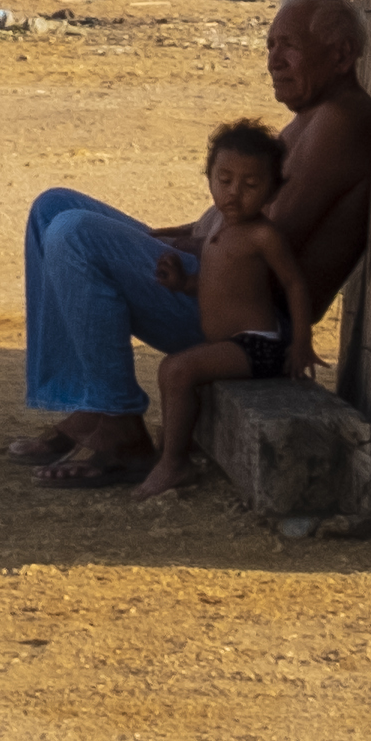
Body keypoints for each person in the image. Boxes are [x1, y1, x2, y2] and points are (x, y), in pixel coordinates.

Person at [14, 0, 371, 486]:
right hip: (214, 281)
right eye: (270, 45)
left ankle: (120, 427)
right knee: (53, 207)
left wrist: (161, 253)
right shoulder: (310, 118)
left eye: (289, 46)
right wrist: (158, 241)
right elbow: (219, 224)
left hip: (247, 321)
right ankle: (87, 406)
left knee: (76, 234)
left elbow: (266, 248)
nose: (274, 61)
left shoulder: (342, 120)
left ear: (341, 55)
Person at [120, 117, 303, 506]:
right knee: (177, 368)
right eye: (224, 180)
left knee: (176, 369)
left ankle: (174, 463)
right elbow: (221, 286)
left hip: (259, 346)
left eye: (251, 185)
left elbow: (294, 284)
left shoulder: (262, 235)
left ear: (272, 192)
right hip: (229, 342)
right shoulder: (219, 230)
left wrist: (301, 343)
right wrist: (182, 285)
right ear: (209, 177)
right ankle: (173, 451)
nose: (235, 193)